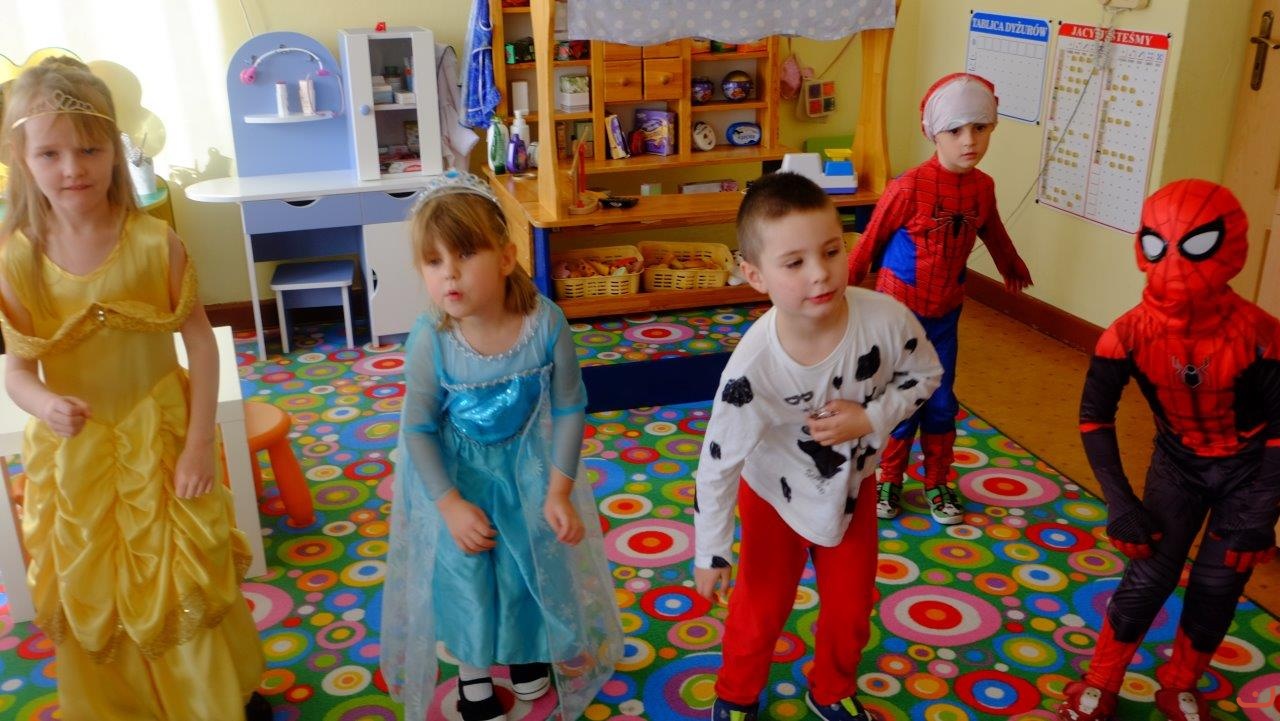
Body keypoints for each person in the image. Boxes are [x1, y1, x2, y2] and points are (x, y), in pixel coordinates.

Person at [0, 57, 269, 720]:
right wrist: (45, 404)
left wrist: (199, 443)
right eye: (51, 153)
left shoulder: (153, 242)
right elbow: (18, 371)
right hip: (79, 461)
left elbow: (199, 342)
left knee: (183, 576)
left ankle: (216, 697)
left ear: (114, 149)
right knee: (98, 586)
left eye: (90, 149)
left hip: (162, 442)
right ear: (21, 159)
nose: (73, 168)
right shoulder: (16, 260)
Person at [694, 172, 944, 721]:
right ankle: (736, 694)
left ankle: (831, 688)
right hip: (774, 497)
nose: (819, 273)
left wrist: (871, 418)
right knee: (760, 608)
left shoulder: (886, 320)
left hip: (852, 488)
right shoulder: (753, 367)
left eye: (831, 251)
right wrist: (711, 550)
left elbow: (925, 374)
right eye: (794, 263)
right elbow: (717, 463)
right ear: (754, 275)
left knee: (852, 607)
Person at [379, 170, 622, 721]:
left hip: (525, 465)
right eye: (433, 261)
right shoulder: (432, 338)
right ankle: (473, 677)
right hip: (455, 473)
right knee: (467, 570)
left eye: (465, 254)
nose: (449, 273)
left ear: (507, 258)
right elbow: (417, 429)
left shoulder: (545, 323)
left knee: (527, 561)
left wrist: (558, 490)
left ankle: (525, 652)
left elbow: (570, 404)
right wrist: (449, 504)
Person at [1057, 179, 1280, 721]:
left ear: (1230, 246)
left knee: (1219, 583)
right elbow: (1093, 418)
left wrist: (1261, 512)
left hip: (1248, 469)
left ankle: (1180, 683)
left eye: (1196, 245)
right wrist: (1120, 503)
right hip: (1178, 464)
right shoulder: (1127, 334)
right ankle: (1102, 679)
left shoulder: (1261, 335)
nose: (1176, 264)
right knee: (1149, 575)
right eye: (1160, 245)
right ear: (1143, 247)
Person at [848, 72, 1033, 525]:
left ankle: (937, 481)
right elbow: (870, 240)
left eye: (980, 128)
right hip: (899, 315)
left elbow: (992, 228)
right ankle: (889, 479)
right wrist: (841, 294)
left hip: (946, 313)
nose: (969, 141)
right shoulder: (908, 187)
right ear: (934, 132)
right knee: (898, 398)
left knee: (941, 400)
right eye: (955, 130)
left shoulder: (982, 187)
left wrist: (1011, 264)